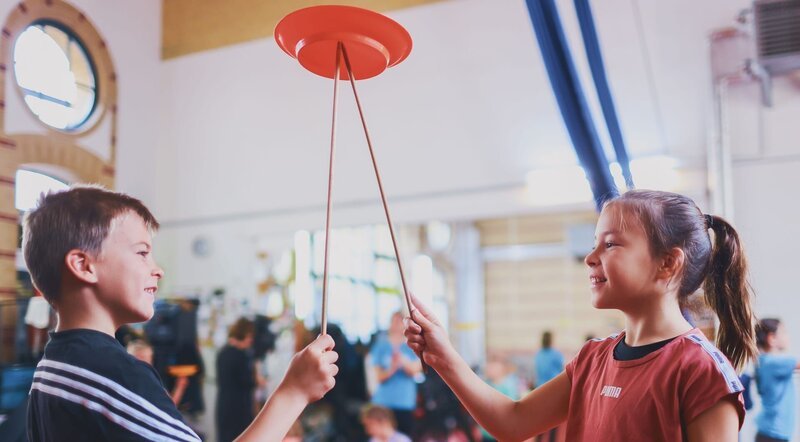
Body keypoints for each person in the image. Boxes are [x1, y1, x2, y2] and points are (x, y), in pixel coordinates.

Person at [405, 190, 757, 441]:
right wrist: (444, 357)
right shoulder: (592, 359)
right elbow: (512, 423)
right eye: (594, 242)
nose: (590, 257)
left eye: (611, 244)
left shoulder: (700, 372)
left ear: (667, 263)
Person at [23, 185, 339, 442]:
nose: (157, 269)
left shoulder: (51, 367)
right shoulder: (112, 373)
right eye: (142, 252)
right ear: (83, 265)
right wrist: (293, 393)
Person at [370, 311, 422, 437]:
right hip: (383, 403)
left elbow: (415, 370)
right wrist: (392, 368)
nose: (397, 325)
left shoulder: (413, 346)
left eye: (400, 322)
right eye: (394, 321)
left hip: (404, 402)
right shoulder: (381, 346)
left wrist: (401, 360)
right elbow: (379, 377)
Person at [754, 318, 799, 442]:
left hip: (771, 434)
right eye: (783, 332)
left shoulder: (764, 361)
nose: (787, 336)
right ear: (772, 338)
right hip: (773, 435)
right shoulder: (773, 362)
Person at [216, 318, 258, 442]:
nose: (251, 341)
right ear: (243, 335)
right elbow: (247, 381)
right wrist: (257, 379)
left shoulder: (223, 352)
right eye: (249, 336)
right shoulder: (240, 355)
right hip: (238, 408)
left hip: (224, 405)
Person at [533, 331, 563, 442]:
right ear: (551, 340)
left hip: (539, 390)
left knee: (539, 422)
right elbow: (562, 371)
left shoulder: (538, 354)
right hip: (553, 391)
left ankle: (538, 440)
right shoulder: (556, 354)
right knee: (554, 423)